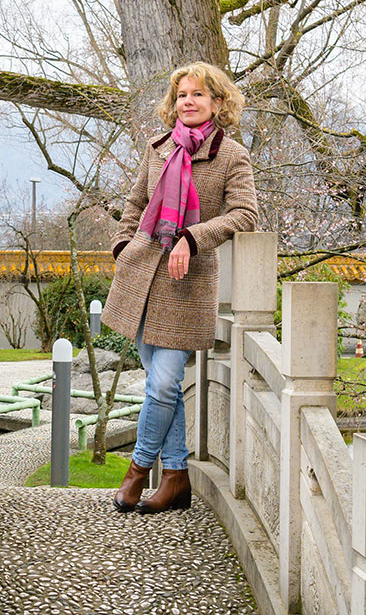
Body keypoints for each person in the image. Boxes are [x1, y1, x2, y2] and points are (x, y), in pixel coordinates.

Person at [104, 61, 257, 513]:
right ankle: (176, 478)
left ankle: (136, 471)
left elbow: (245, 214)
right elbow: (135, 204)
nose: (188, 102)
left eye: (198, 95)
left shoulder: (232, 155)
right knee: (161, 385)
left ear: (218, 103)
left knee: (165, 380)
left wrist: (192, 237)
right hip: (143, 279)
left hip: (187, 284)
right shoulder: (158, 147)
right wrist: (121, 247)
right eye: (182, 95)